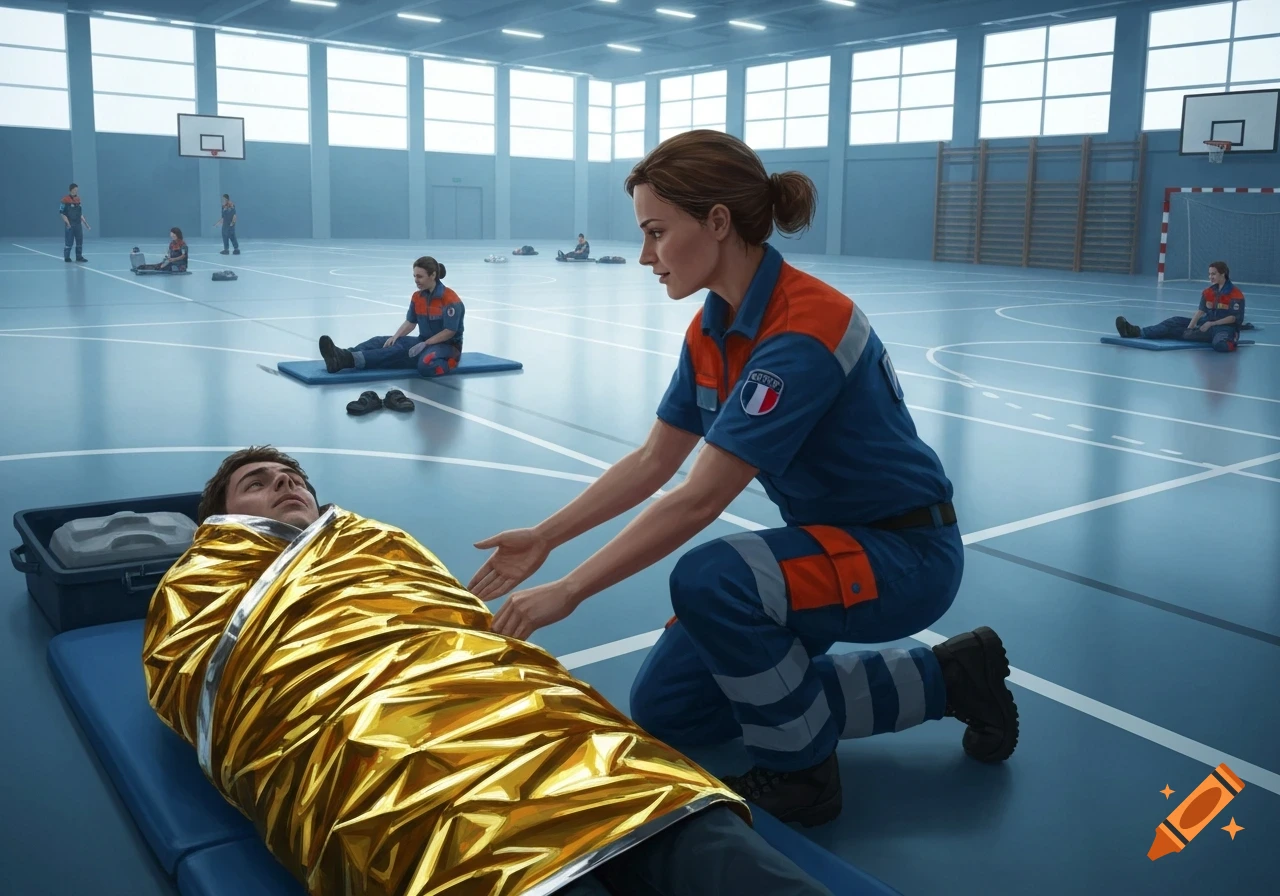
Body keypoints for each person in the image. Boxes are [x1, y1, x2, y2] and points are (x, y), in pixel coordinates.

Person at [468, 130, 1018, 827]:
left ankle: (804, 775)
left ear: (718, 223)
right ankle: (946, 678)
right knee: (675, 707)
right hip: (829, 545)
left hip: (903, 556)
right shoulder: (714, 327)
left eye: (656, 232)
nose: (645, 256)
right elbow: (653, 463)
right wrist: (545, 539)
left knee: (713, 579)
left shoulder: (803, 330)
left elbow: (698, 498)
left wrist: (571, 591)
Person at [141, 446, 834, 896]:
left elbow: (441, 614)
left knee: (662, 813)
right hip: (365, 727)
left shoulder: (370, 539)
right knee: (484, 845)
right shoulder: (198, 580)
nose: (284, 484)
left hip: (493, 694)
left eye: (292, 477)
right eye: (257, 484)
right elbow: (192, 682)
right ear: (221, 519)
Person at [318, 256, 463, 380]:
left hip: (448, 347)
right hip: (424, 342)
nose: (416, 280)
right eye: (414, 276)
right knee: (383, 342)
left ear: (432, 275)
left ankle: (349, 361)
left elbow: (450, 331)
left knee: (419, 362)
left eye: (420, 276)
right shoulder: (418, 297)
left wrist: (426, 344)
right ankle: (343, 354)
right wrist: (396, 336)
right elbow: (410, 322)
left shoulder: (450, 299)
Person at [1115, 261, 1245, 352]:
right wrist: (1190, 328)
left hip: (1224, 327)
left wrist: (1212, 324)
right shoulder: (1208, 292)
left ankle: (1231, 338)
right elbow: (1200, 311)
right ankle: (1136, 332)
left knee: (1221, 346)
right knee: (1174, 321)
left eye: (1214, 274)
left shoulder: (1235, 294)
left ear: (1223, 274)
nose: (1210, 277)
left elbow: (1233, 318)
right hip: (1206, 323)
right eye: (1209, 274)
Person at [59, 182, 90, 263]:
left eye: (77, 190)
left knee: (79, 241)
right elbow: (62, 213)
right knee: (69, 241)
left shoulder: (78, 199)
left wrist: (86, 224)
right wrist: (67, 223)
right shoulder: (64, 199)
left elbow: (80, 214)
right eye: (75, 190)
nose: (77, 191)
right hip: (70, 224)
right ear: (71, 190)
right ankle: (67, 257)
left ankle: (79, 257)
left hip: (78, 224)